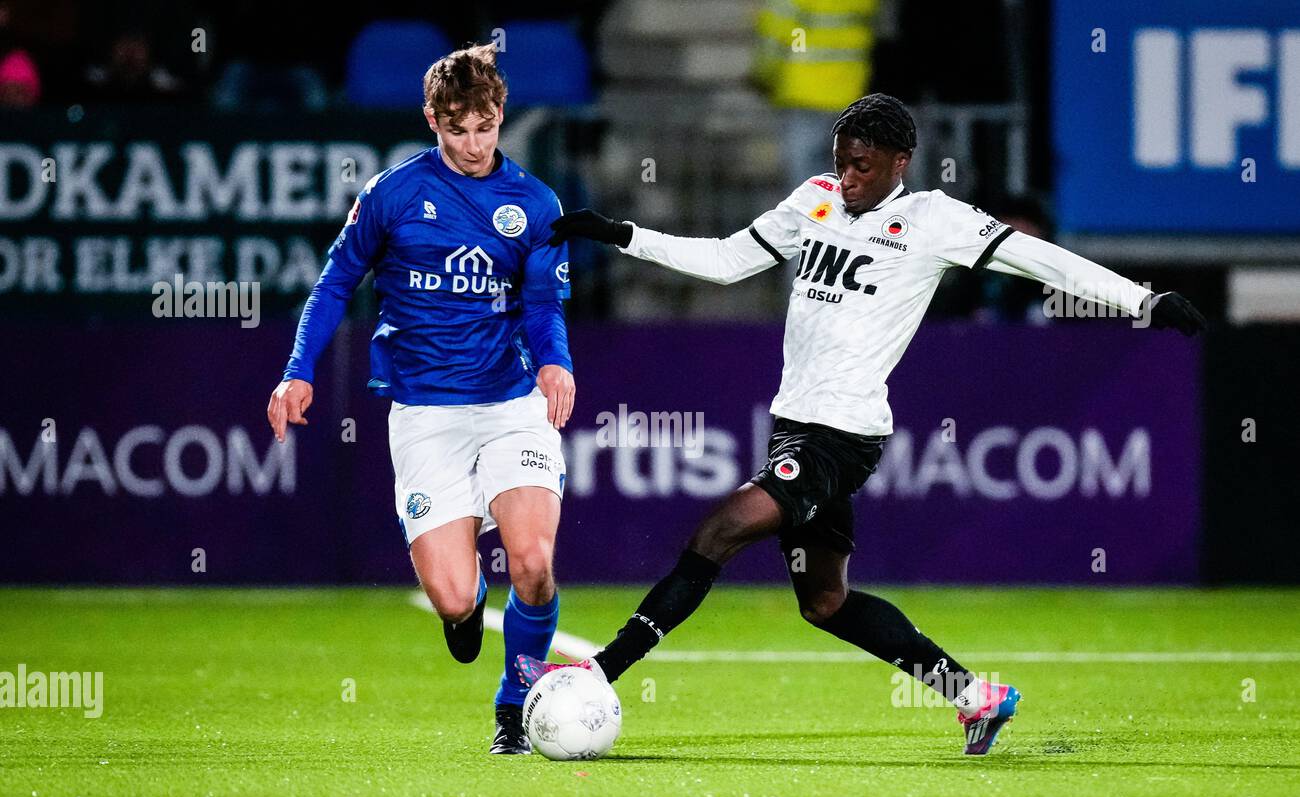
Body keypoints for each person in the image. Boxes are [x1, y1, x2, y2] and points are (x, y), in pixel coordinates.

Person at [520, 93, 1206, 755]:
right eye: (842, 160)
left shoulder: (936, 220)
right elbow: (729, 261)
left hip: (841, 436)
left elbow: (1043, 260)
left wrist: (1142, 299)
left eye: (863, 166)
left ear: (902, 160)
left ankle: (601, 669)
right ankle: (976, 696)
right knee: (824, 602)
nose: (847, 178)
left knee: (718, 532)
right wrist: (623, 235)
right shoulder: (815, 198)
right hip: (793, 425)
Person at [267, 43, 575, 755]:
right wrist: (297, 370)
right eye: (458, 129)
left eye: (487, 126)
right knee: (456, 598)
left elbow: (544, 306)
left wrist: (555, 363)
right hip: (426, 416)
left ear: (502, 117)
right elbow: (335, 284)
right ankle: (464, 602)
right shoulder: (392, 196)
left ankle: (515, 702)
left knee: (531, 560)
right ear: (432, 120)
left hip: (509, 403)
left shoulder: (534, 202)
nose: (475, 145)